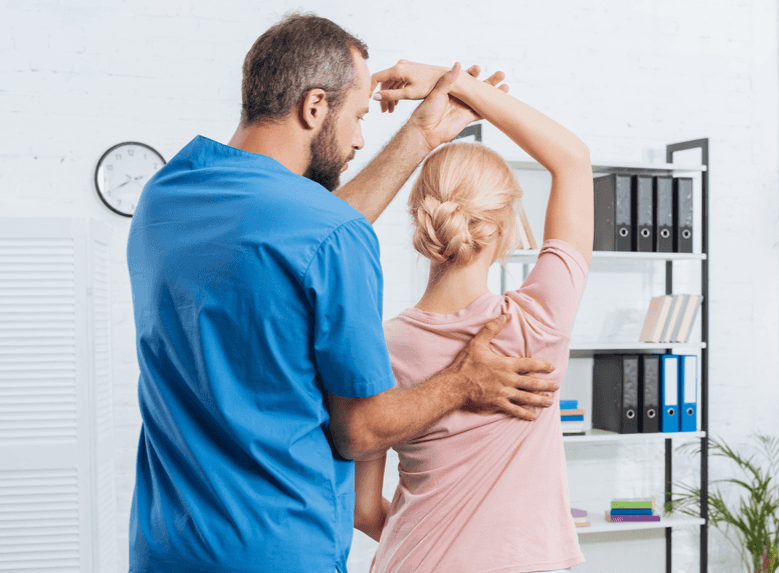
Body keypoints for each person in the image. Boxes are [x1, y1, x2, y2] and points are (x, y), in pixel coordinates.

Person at [125, 14, 558, 573]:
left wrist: (420, 137)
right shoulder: (329, 235)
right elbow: (360, 431)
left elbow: (296, 238)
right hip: (277, 551)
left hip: (166, 547)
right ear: (313, 107)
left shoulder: (167, 196)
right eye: (355, 117)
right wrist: (463, 381)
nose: (358, 138)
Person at [353, 61, 593, 572]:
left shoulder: (376, 342)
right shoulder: (538, 324)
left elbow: (364, 509)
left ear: (420, 216)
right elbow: (572, 160)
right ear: (506, 229)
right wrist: (455, 81)